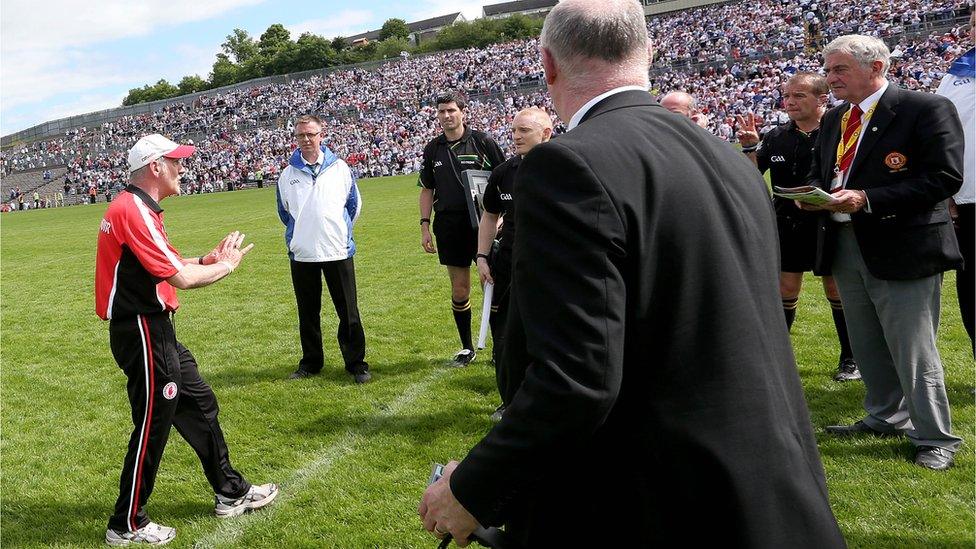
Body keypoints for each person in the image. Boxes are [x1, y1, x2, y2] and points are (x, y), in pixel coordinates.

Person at [419, 1, 846, 546]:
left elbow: (579, 377)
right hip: (770, 484)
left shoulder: (567, 165)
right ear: (646, 52)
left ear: (547, 65)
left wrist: (472, 488)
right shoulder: (724, 156)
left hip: (664, 499)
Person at [95, 134, 278, 546]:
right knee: (153, 426)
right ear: (154, 167)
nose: (183, 168)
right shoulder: (132, 210)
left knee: (199, 402)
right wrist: (226, 267)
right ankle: (127, 523)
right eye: (175, 161)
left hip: (156, 329)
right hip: (141, 331)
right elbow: (180, 278)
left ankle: (230, 490)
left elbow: (171, 262)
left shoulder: (139, 208)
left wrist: (207, 258)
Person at [799, 35, 964, 471]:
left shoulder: (923, 109)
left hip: (902, 244)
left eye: (839, 70)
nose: (830, 78)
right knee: (868, 341)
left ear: (875, 68)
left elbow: (944, 177)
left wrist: (867, 198)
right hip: (845, 243)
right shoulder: (835, 119)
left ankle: (935, 436)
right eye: (829, 69)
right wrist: (813, 194)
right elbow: (825, 170)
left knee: (912, 349)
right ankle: (884, 415)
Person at [737, 72, 860, 382]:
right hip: (787, 223)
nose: (789, 102)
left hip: (829, 222)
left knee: (836, 288)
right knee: (786, 288)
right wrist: (751, 149)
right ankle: (776, 358)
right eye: (787, 96)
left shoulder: (839, 131)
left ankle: (851, 359)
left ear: (821, 99)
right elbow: (754, 178)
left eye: (798, 96)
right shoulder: (777, 135)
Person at [276, 115, 370, 384]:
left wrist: (338, 231)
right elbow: (285, 212)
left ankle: (356, 363)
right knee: (307, 312)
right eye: (301, 135)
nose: (306, 140)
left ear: (321, 134)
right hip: (303, 252)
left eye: (311, 134)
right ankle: (311, 362)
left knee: (349, 311)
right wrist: (302, 233)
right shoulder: (287, 174)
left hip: (337, 250)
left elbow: (353, 205)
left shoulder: (340, 168)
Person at [476, 107, 553, 422]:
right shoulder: (504, 172)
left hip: (550, 266)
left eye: (524, 130)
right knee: (506, 336)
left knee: (548, 335)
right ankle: (510, 401)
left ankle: (548, 401)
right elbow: (490, 215)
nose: (516, 136)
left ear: (546, 133)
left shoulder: (565, 169)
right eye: (514, 130)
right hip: (507, 264)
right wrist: (482, 257)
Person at [418, 92, 506, 366]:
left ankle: (499, 349)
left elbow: (505, 179)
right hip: (449, 226)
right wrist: (424, 226)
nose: (446, 116)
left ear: (463, 112)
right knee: (459, 290)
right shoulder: (433, 148)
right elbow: (426, 188)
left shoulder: (483, 141)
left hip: (484, 225)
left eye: (451, 110)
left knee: (490, 287)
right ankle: (467, 347)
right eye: (442, 111)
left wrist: (501, 218)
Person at [936, 13, 974, 356]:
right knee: (972, 285)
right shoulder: (955, 74)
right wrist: (947, 194)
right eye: (974, 22)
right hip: (967, 198)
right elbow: (940, 135)